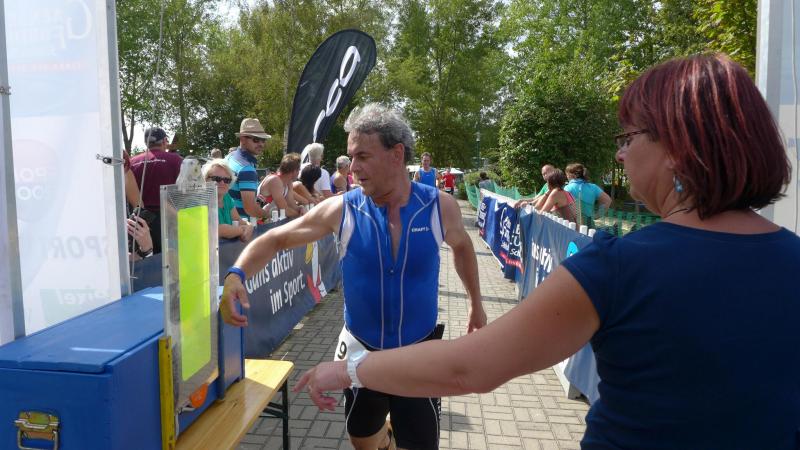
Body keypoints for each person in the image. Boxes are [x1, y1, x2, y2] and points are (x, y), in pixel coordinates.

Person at [293, 54, 800, 448]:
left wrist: (348, 369)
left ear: (678, 149)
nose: (620, 152)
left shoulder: (618, 266)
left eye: (629, 136)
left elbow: (469, 368)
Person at [220, 103, 487, 450]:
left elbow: (463, 248)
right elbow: (276, 239)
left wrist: (475, 303)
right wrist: (236, 274)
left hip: (419, 353)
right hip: (362, 352)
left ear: (397, 154)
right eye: (351, 157)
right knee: (362, 438)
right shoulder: (343, 208)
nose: (354, 168)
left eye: (363, 156)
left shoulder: (439, 206)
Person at [129, 127, 183, 254]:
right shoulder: (176, 160)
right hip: (169, 219)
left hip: (140, 221)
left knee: (145, 258)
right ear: (164, 141)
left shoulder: (132, 162)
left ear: (146, 142)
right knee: (170, 258)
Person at [226, 118, 271, 222]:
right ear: (242, 139)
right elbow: (250, 209)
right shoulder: (247, 169)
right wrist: (269, 215)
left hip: (228, 223)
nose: (261, 144)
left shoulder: (230, 157)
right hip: (242, 226)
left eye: (263, 140)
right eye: (256, 139)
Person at [202, 159, 254, 241]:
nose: (222, 183)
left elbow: (238, 220)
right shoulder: (200, 200)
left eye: (227, 180)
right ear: (205, 179)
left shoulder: (226, 197)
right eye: (216, 179)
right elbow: (216, 230)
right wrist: (241, 230)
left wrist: (249, 226)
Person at [564, 163, 612, 228]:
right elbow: (608, 200)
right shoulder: (593, 187)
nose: (566, 177)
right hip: (589, 224)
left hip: (572, 224)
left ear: (572, 175)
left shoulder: (567, 188)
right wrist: (598, 215)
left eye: (567, 174)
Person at [257, 153, 304, 219]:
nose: (299, 173)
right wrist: (303, 216)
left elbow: (291, 205)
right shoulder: (275, 181)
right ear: (294, 171)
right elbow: (284, 210)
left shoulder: (288, 182)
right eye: (298, 170)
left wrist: (300, 208)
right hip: (260, 221)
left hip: (271, 219)